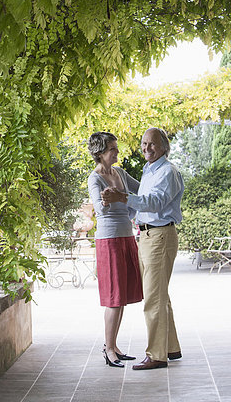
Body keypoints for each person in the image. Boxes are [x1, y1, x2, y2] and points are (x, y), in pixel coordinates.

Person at [101, 127, 184, 370]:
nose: (147, 148)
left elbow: (155, 203)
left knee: (153, 299)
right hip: (147, 236)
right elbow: (141, 201)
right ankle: (170, 347)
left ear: (164, 147)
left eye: (152, 144)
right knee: (159, 296)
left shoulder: (167, 171)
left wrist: (122, 197)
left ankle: (157, 355)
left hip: (159, 236)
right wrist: (117, 195)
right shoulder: (150, 170)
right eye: (144, 143)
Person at [87, 131, 143, 368]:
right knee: (113, 298)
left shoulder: (119, 173)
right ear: (100, 153)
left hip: (126, 237)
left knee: (121, 298)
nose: (117, 151)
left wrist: (127, 205)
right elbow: (100, 210)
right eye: (113, 149)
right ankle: (108, 349)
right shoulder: (95, 178)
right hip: (109, 240)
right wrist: (111, 200)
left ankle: (114, 346)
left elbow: (140, 191)